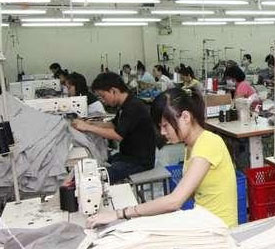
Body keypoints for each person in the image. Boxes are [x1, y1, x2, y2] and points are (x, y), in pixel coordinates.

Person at [86, 87, 238, 228]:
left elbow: (175, 201)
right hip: (204, 222)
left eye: (165, 126)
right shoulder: (191, 146)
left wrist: (120, 213)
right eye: (160, 127)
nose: (163, 132)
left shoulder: (208, 143)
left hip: (219, 230)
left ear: (185, 117)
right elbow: (185, 196)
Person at [70, 72, 156, 183]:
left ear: (113, 91)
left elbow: (117, 135)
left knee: (101, 176)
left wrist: (87, 127)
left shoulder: (133, 107)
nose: (103, 100)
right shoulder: (125, 104)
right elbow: (113, 125)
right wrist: (90, 123)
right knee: (101, 162)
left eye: (103, 96)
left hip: (140, 161)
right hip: (128, 155)